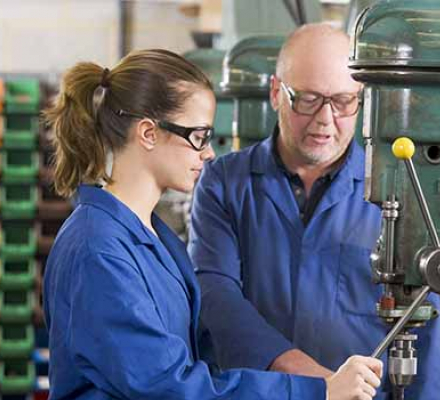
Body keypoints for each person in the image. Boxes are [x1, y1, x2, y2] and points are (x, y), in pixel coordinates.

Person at [42, 48, 382, 400]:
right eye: (199, 136)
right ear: (148, 133)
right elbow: (169, 386)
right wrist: (316, 391)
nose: (207, 152)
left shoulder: (154, 238)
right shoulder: (97, 249)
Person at [189, 24, 440, 399]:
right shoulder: (224, 183)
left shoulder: (399, 189)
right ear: (277, 93)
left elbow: (424, 328)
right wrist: (317, 383)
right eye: (308, 99)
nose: (326, 119)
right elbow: (216, 297)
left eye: (343, 101)